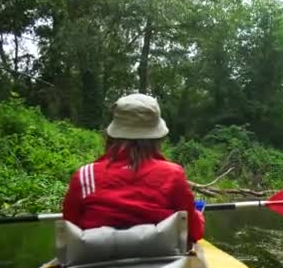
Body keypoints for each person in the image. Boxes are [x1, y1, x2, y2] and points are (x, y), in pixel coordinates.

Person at [62, 93, 205, 243]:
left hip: (95, 262)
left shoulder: (85, 176)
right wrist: (199, 217)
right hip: (161, 263)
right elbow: (194, 232)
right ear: (157, 137)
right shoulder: (173, 174)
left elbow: (70, 231)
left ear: (113, 134)